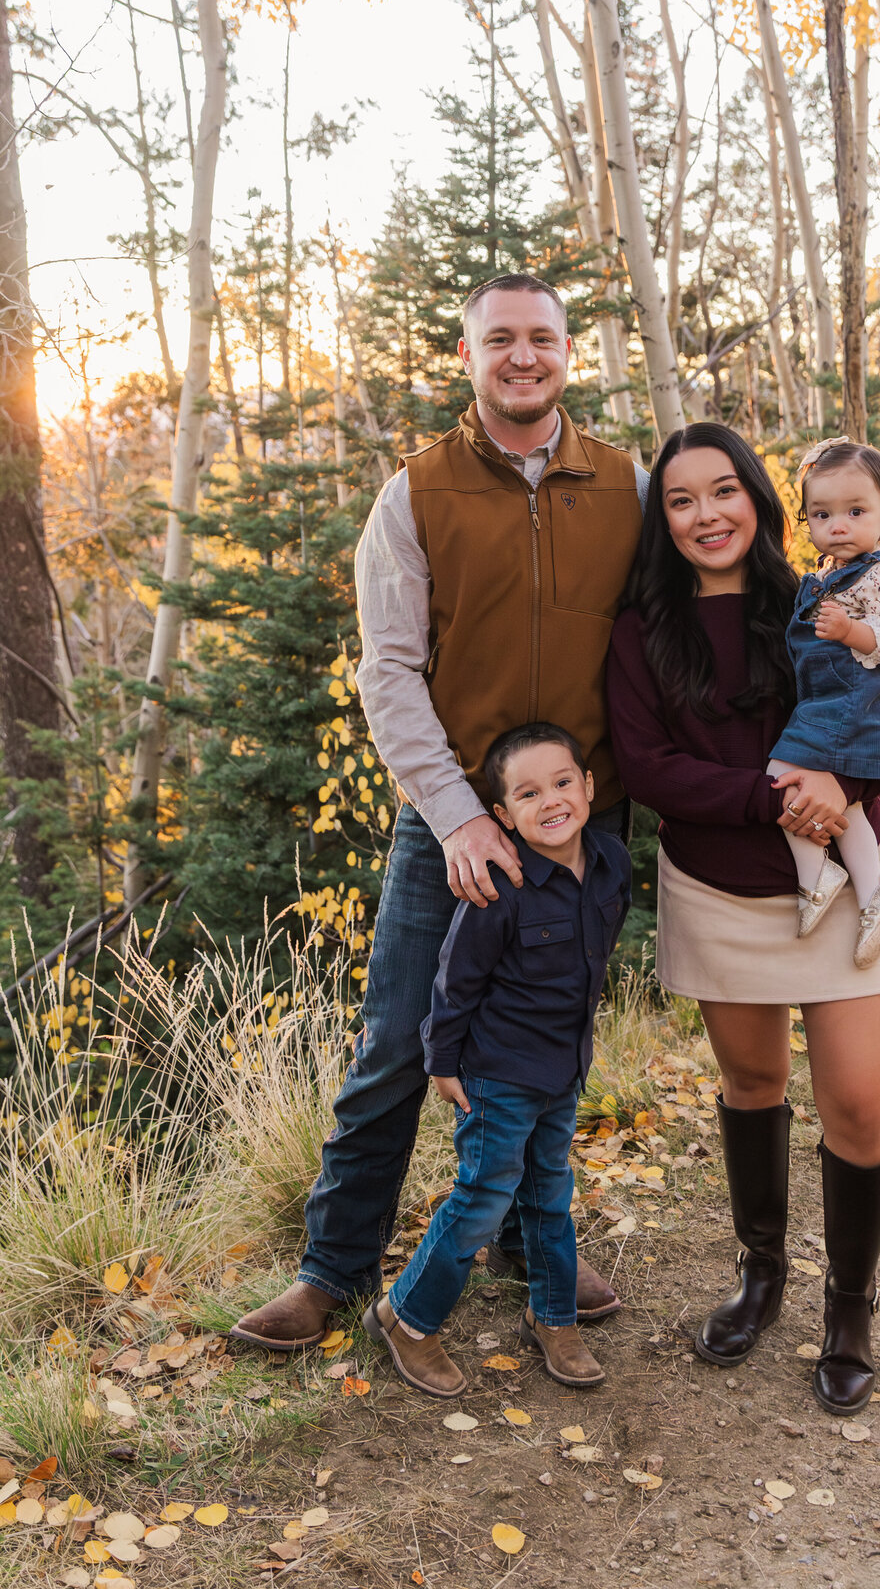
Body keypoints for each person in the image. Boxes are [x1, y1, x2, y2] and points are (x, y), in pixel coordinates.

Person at [232, 273, 646, 1353]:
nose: (523, 356)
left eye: (542, 339)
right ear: (466, 357)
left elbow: (667, 644)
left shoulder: (624, 485)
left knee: (551, 1040)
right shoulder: (413, 494)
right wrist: (461, 816)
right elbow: (390, 672)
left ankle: (526, 1241)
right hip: (455, 820)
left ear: (567, 354)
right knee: (401, 1044)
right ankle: (332, 1271)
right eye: (499, 340)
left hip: (583, 826)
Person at [606, 423, 880, 1415]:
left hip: (840, 881)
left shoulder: (823, 597)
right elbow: (647, 767)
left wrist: (840, 780)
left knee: (859, 1109)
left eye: (724, 491)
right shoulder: (640, 631)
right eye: (681, 499)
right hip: (717, 887)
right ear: (663, 519)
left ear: (758, 497)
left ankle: (849, 1310)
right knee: (752, 1082)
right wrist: (773, 797)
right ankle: (762, 1276)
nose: (707, 514)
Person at [364, 723, 631, 1396]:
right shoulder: (499, 886)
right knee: (484, 1195)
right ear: (504, 815)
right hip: (497, 1071)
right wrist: (443, 1060)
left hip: (562, 1067)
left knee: (549, 1193)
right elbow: (456, 979)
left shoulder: (609, 863)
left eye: (563, 782)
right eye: (528, 793)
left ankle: (554, 1317)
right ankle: (409, 1318)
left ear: (589, 787)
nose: (552, 801)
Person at [767, 436, 880, 968]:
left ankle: (819, 877)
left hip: (858, 703)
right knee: (840, 799)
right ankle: (872, 891)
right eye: (822, 513)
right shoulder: (820, 578)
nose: (838, 525)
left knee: (783, 774)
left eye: (856, 511)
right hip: (825, 700)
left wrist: (853, 630)